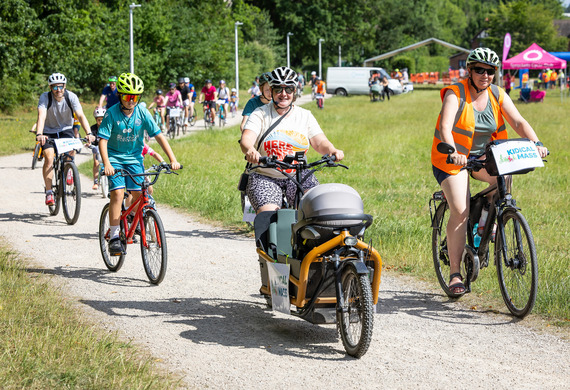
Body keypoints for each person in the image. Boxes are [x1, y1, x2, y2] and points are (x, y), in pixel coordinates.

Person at [431, 48, 548, 296]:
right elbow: (445, 126)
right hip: (452, 159)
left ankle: (487, 222)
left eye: (490, 71)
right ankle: (454, 274)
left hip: (483, 156)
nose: (485, 75)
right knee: (460, 211)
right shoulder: (456, 93)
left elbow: (518, 122)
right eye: (480, 70)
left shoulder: (497, 94)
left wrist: (536, 143)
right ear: (470, 71)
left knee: (505, 177)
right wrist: (453, 150)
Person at [240, 66, 343, 213]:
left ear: (294, 91)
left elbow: (320, 142)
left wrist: (332, 150)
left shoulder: (304, 115)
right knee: (269, 217)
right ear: (272, 91)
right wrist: (250, 150)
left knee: (316, 210)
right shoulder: (260, 114)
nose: (283, 94)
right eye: (278, 90)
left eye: (288, 89)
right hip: (265, 175)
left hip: (299, 174)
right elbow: (246, 138)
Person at [98, 72, 180, 256]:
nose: (131, 100)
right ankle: (114, 236)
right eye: (127, 96)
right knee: (118, 193)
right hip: (115, 159)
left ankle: (130, 216)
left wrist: (172, 159)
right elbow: (102, 141)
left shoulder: (142, 112)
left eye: (135, 97)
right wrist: (106, 163)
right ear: (120, 95)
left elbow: (158, 135)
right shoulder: (111, 113)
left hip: (135, 159)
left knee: (139, 194)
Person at [35, 73, 95, 206]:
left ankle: (68, 169)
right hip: (48, 131)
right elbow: (41, 115)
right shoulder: (45, 97)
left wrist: (89, 133)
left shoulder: (71, 96)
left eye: (61, 87)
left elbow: (80, 115)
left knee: (70, 151)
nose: (58, 90)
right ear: (51, 87)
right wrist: (39, 133)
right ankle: (49, 192)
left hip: (65, 130)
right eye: (55, 87)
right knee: (49, 158)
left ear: (65, 86)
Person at [89, 107, 106, 190]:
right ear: (96, 120)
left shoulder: (108, 127)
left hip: (107, 147)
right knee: (96, 163)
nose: (101, 122)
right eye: (99, 120)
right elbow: (90, 138)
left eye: (102, 119)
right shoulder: (93, 129)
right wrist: (89, 143)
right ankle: (96, 181)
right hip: (96, 147)